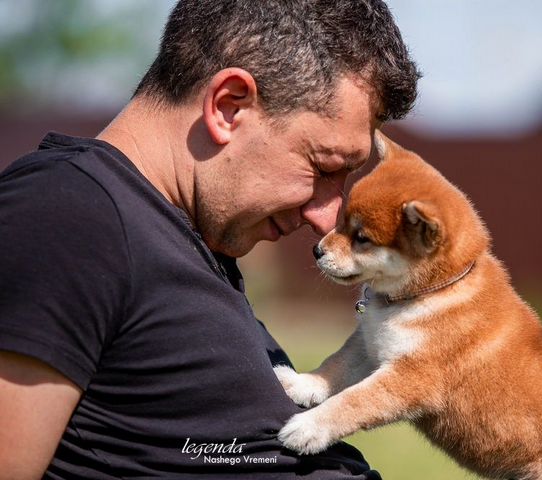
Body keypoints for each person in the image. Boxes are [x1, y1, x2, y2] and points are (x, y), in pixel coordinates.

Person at [0, 0, 419, 478]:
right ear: (228, 105)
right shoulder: (65, 214)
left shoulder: (180, 238)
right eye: (324, 167)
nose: (328, 219)